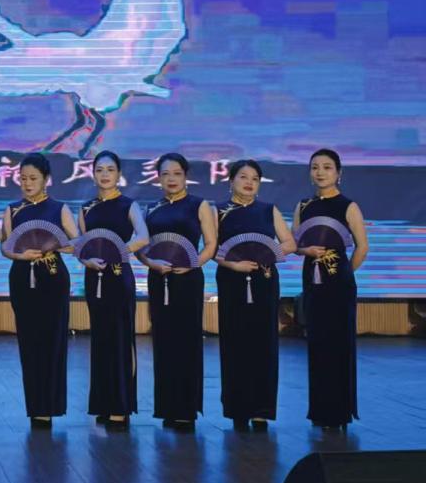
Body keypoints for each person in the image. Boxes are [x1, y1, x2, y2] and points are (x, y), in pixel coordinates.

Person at [214, 159, 296, 431]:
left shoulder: (268, 210)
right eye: (243, 177)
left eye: (254, 179)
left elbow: (290, 242)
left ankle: (262, 410)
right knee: (234, 342)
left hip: (265, 280)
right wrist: (232, 264)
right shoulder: (219, 211)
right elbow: (212, 248)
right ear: (231, 181)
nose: (249, 182)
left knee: (264, 343)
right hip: (231, 279)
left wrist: (269, 253)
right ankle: (237, 409)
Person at [138, 152, 217, 431]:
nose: (171, 179)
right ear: (158, 178)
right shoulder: (151, 208)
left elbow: (211, 244)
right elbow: (141, 248)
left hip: (188, 279)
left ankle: (186, 410)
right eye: (165, 174)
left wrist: (193, 263)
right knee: (163, 341)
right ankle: (167, 408)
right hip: (159, 278)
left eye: (177, 173)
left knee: (188, 341)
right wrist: (150, 263)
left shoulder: (199, 205)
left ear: (186, 176)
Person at [293, 148, 368, 430]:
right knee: (316, 345)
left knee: (339, 346)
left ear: (338, 173)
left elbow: (362, 247)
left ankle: (339, 412)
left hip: (339, 287)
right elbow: (294, 244)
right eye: (315, 167)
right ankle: (319, 411)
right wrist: (306, 250)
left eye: (327, 167)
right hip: (312, 283)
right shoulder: (303, 206)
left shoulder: (348, 206)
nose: (320, 172)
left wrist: (344, 274)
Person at [4, 153, 78, 429]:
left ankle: (51, 405)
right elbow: (5, 246)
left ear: (46, 179)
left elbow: (77, 242)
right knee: (29, 340)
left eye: (33, 178)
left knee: (53, 340)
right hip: (22, 277)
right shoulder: (13, 210)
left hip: (53, 277)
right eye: (23, 178)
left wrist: (55, 245)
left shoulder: (59, 209)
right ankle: (35, 407)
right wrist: (19, 255)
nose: (27, 183)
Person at [78, 150, 149, 430]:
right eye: (99, 170)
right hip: (94, 277)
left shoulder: (128, 205)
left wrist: (120, 249)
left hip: (119, 277)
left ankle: (120, 406)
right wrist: (86, 259)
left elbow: (143, 237)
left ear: (119, 174)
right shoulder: (86, 208)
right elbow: (81, 245)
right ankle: (102, 403)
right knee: (99, 340)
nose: (105, 175)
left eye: (110, 169)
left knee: (120, 339)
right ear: (93, 174)